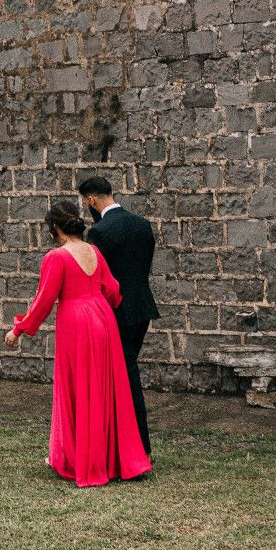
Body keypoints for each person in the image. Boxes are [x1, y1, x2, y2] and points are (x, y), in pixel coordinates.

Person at [4, 202, 151, 488]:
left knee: (78, 389)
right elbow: (113, 289)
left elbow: (44, 300)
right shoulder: (94, 251)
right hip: (103, 319)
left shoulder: (56, 257)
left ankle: (77, 459)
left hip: (77, 323)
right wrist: (103, 311)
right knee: (105, 389)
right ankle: (113, 460)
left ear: (56, 228)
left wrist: (18, 328)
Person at [79, 177, 160, 456]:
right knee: (126, 371)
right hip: (142, 307)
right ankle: (126, 444)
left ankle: (136, 446)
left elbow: (97, 275)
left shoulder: (99, 232)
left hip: (115, 310)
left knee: (124, 375)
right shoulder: (142, 224)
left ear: (90, 200)